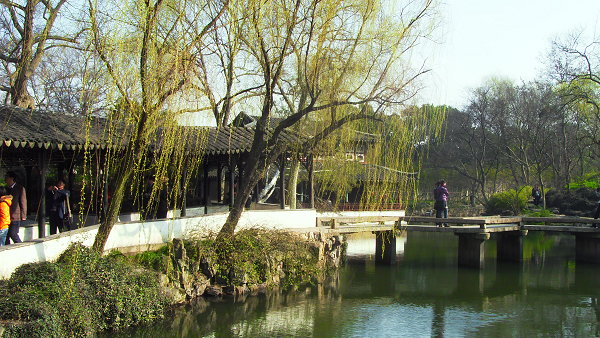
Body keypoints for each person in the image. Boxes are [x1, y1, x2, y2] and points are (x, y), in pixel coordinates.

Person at [4, 171, 25, 244]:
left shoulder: (19, 188)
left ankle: (20, 247)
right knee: (6, 235)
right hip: (5, 216)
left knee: (13, 234)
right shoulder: (5, 188)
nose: (5, 178)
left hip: (15, 215)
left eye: (7, 177)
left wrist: (23, 215)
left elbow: (23, 202)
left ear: (11, 178)